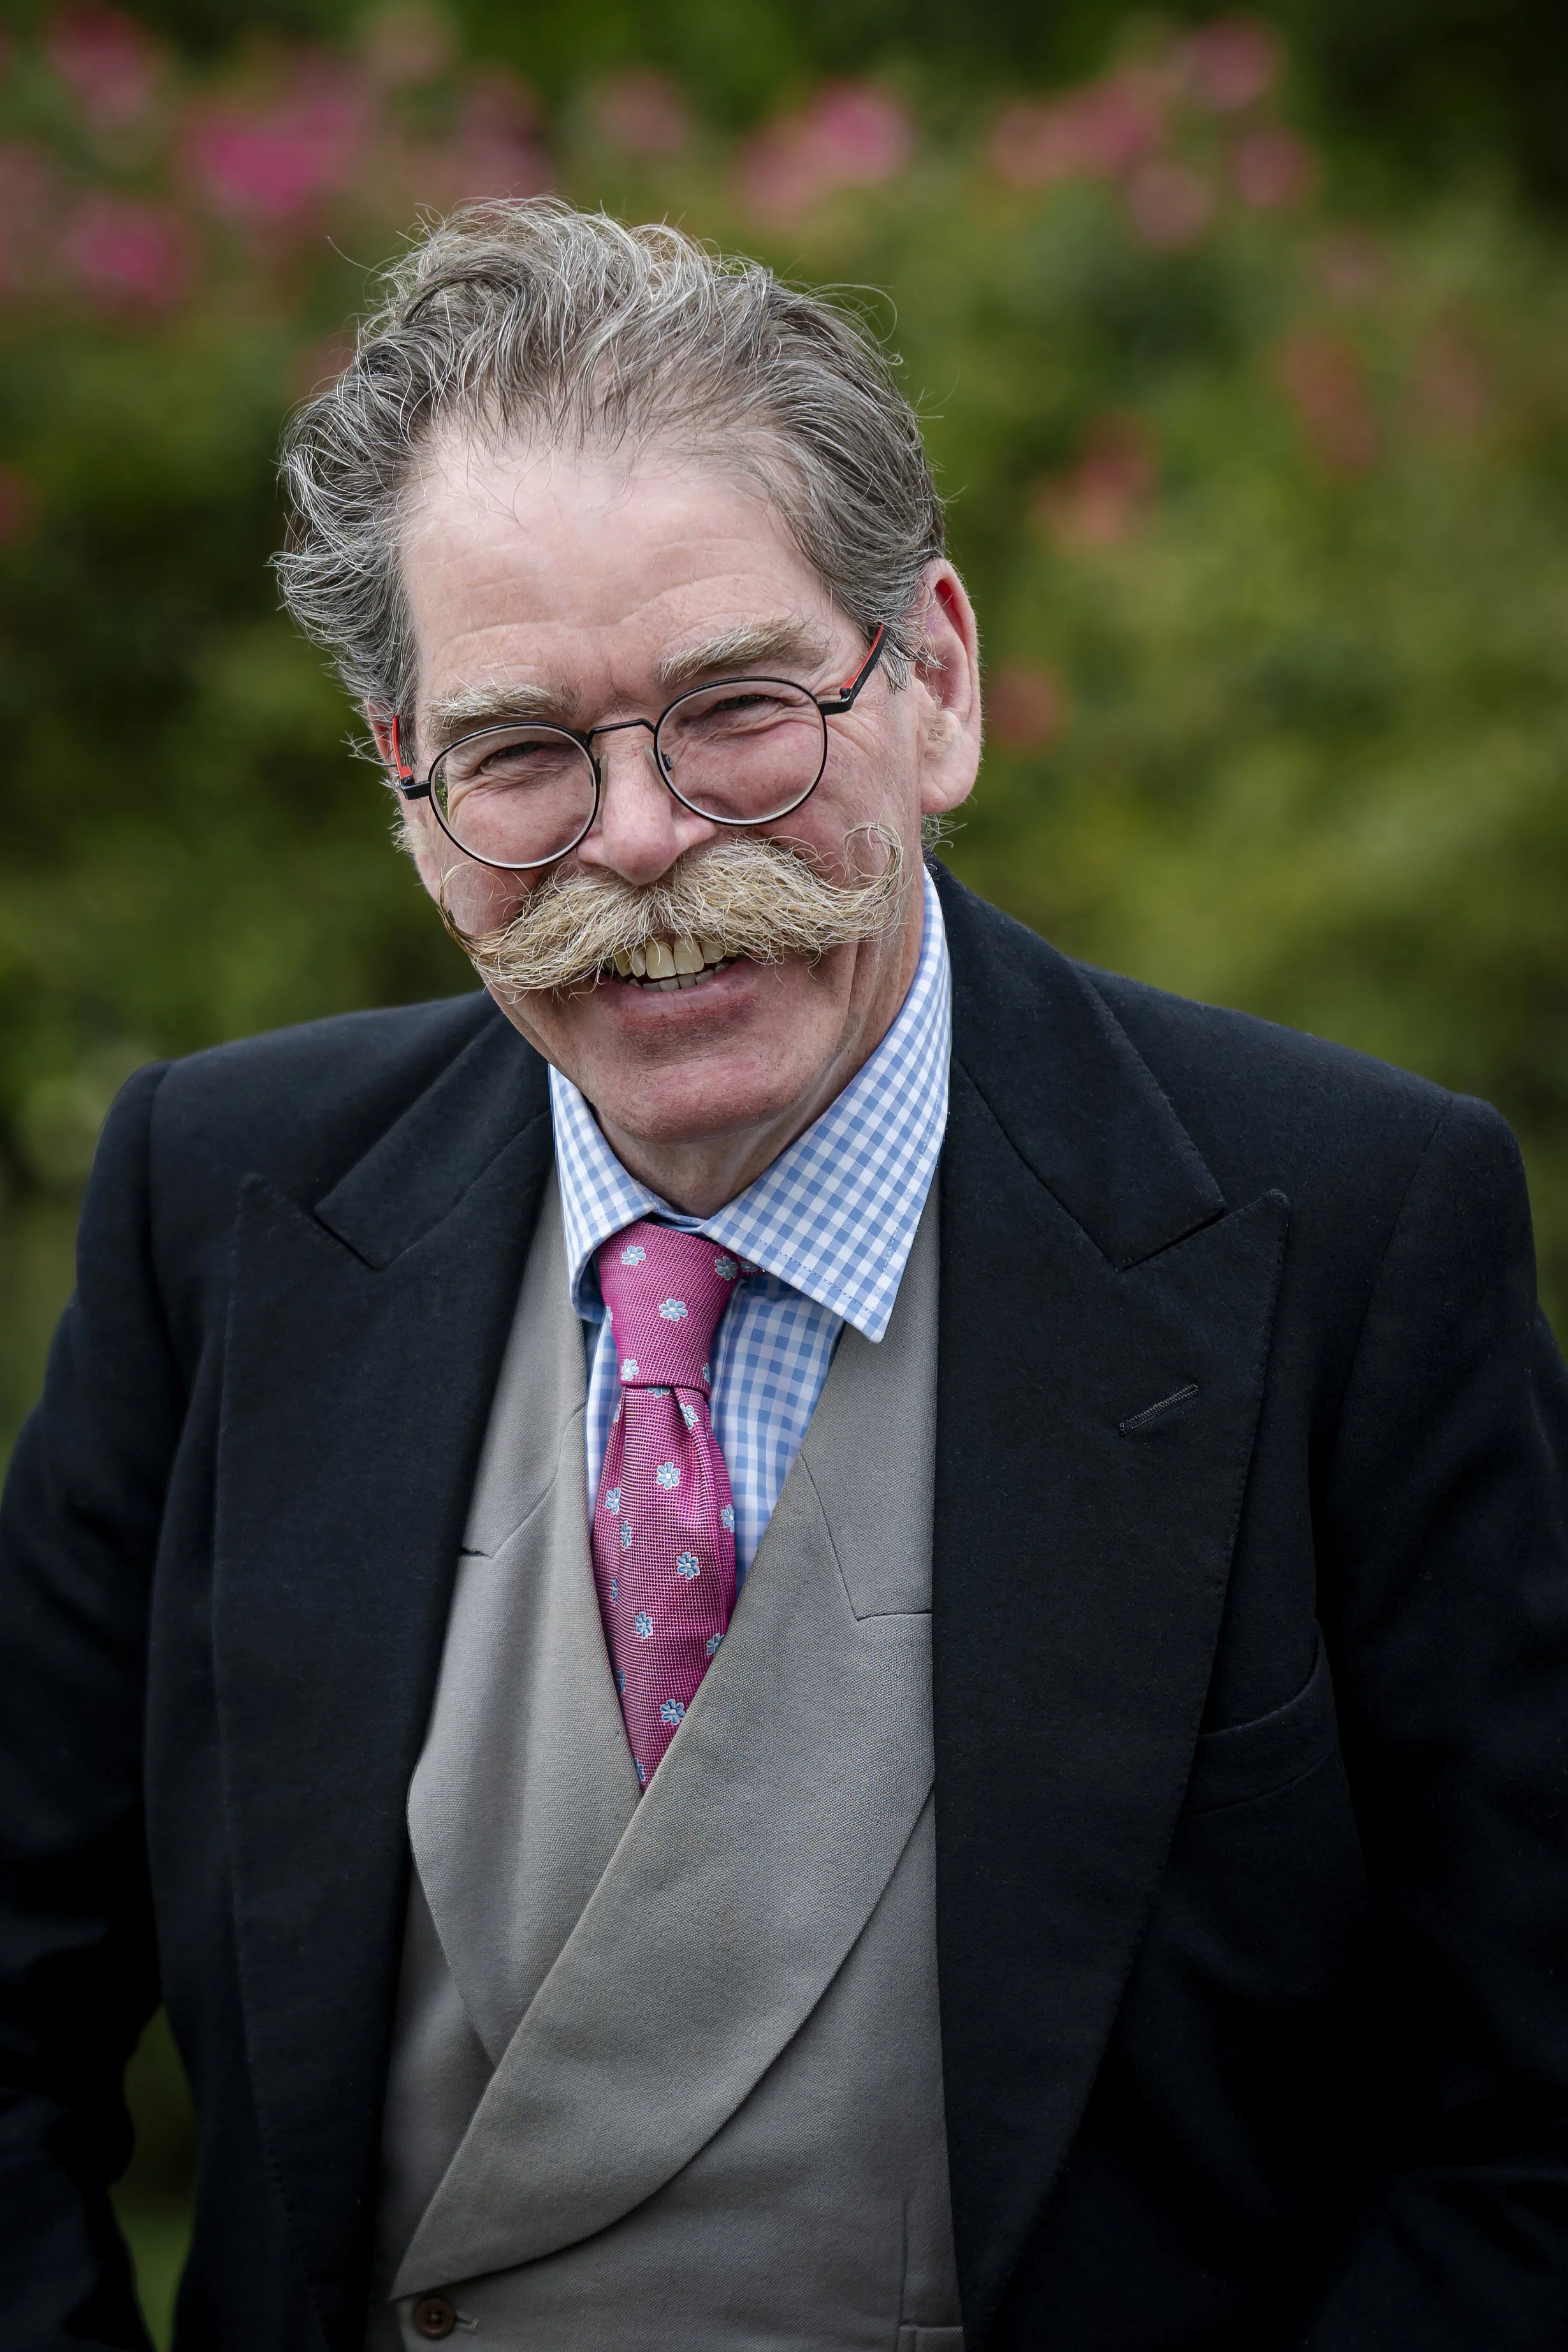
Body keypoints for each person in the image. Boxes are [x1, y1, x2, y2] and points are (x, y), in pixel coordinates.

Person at [3, 198, 1568, 2352]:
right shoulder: (220, 1204)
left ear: (931, 680)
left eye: (737, 708)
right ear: (409, 790)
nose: (638, 837)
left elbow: (1520, 2133)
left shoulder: (1358, 1232)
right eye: (526, 752)